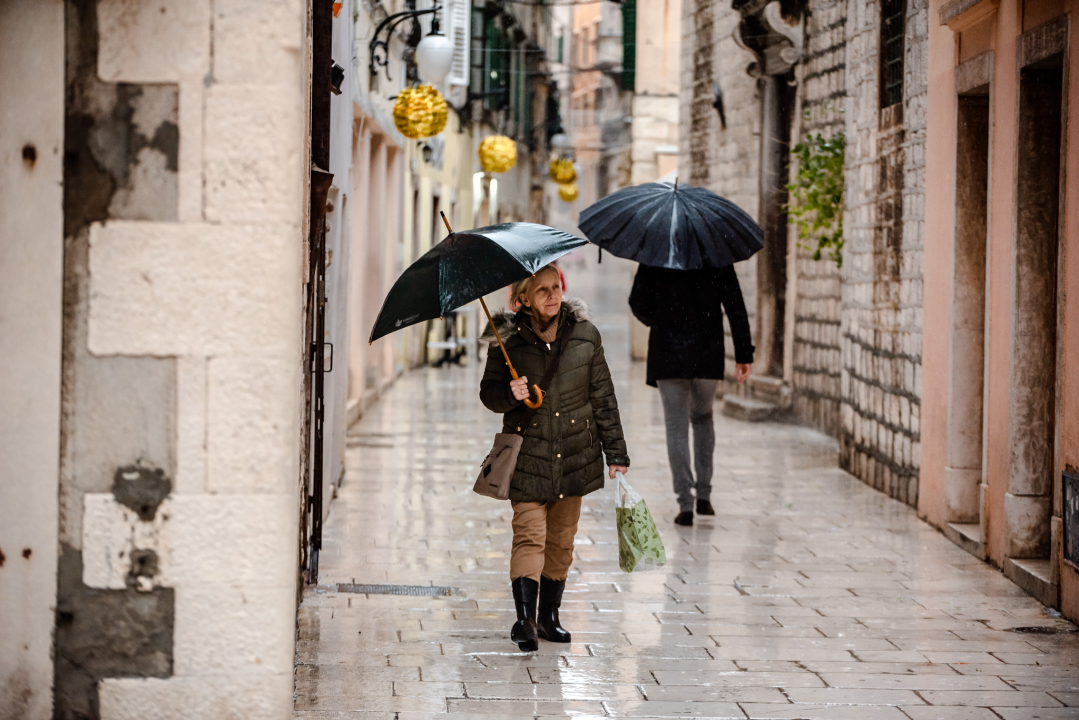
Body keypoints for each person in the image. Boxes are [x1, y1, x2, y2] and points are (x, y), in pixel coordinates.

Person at [480, 264, 630, 651]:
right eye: (541, 289)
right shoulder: (506, 340)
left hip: (574, 455)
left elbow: (603, 396)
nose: (552, 294)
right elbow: (489, 395)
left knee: (561, 541)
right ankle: (524, 621)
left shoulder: (585, 335)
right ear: (523, 298)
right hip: (528, 453)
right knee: (529, 535)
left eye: (556, 287)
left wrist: (616, 453)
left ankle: (549, 618)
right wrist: (509, 393)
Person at [629, 264, 753, 526]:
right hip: (707, 350)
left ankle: (685, 503)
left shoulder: (658, 252)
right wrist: (744, 353)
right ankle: (704, 497)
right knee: (703, 418)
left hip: (668, 352)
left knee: (676, 425)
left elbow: (637, 302)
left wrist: (662, 320)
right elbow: (735, 305)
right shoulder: (716, 254)